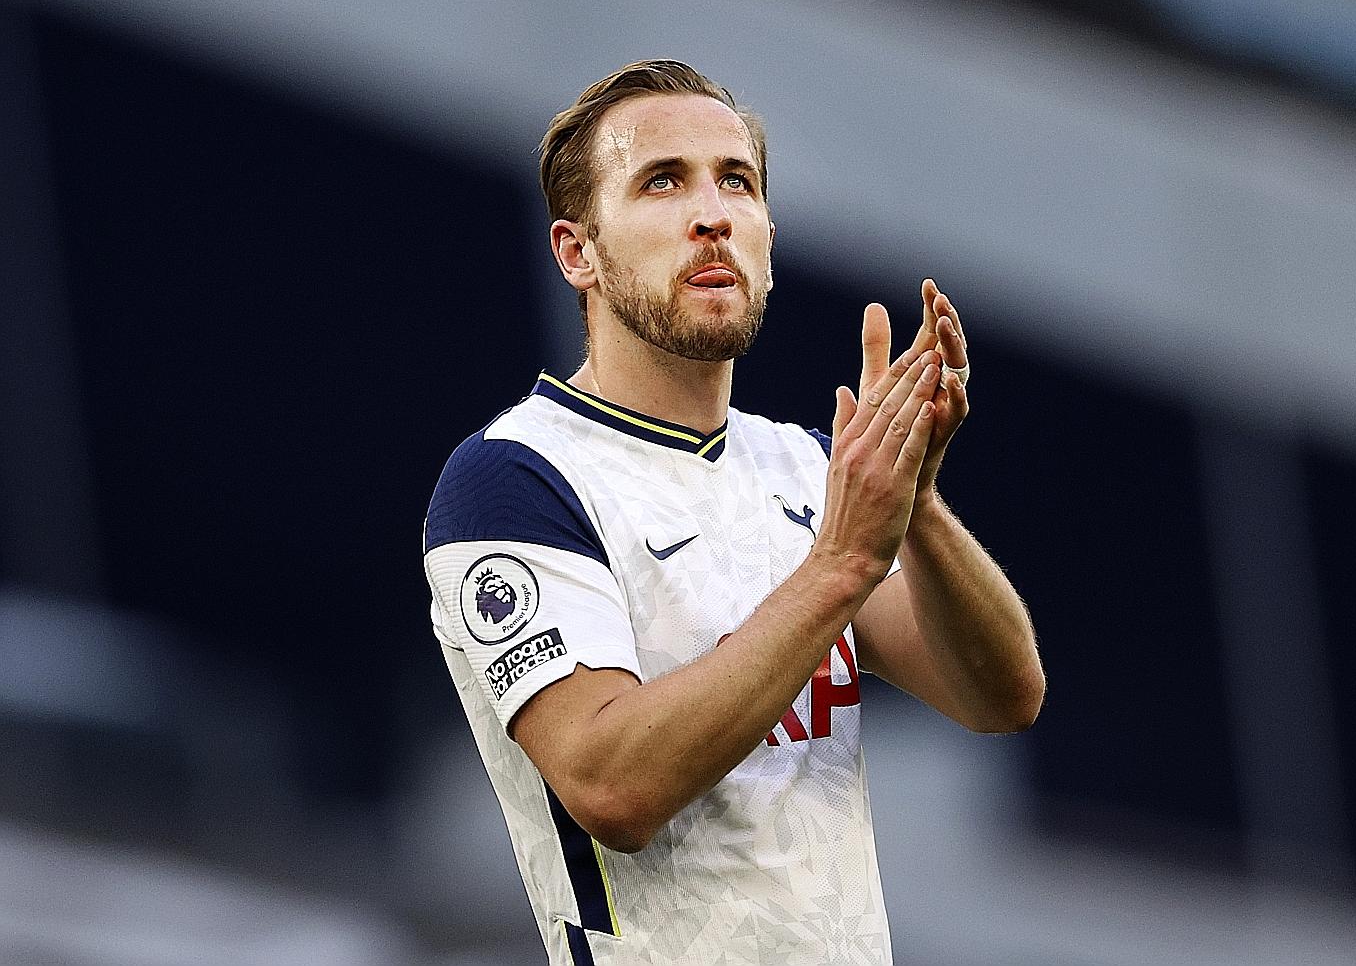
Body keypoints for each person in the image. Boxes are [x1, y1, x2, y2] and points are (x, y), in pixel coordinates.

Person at [422, 59, 1045, 966]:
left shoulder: (802, 465)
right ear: (577, 252)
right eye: (662, 181)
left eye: (736, 181)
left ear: (766, 236)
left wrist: (915, 507)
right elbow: (613, 785)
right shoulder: (515, 477)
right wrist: (839, 564)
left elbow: (1003, 696)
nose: (710, 213)